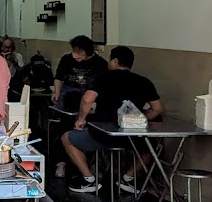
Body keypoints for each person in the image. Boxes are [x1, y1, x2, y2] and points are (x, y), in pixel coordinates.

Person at [61, 46, 164, 193]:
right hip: (132, 139)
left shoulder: (102, 77)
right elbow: (158, 108)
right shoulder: (143, 81)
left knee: (67, 138)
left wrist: (81, 119)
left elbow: (87, 99)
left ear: (115, 61)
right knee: (151, 148)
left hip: (101, 136)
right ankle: (127, 179)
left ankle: (89, 179)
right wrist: (140, 119)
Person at [52, 35, 108, 111]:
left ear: (88, 51)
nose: (75, 55)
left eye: (79, 52)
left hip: (87, 94)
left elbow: (101, 87)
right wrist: (56, 92)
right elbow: (58, 77)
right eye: (74, 51)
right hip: (67, 93)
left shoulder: (100, 63)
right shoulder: (67, 59)